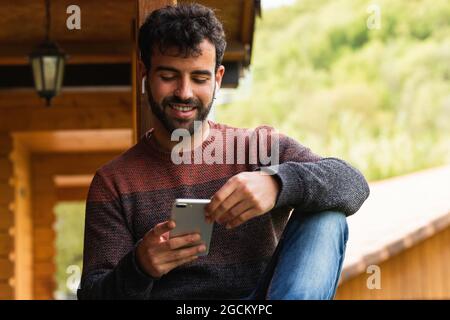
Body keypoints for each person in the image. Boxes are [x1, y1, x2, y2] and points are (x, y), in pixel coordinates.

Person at [77, 3, 370, 300]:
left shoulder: (260, 148)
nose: (184, 92)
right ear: (145, 73)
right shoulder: (113, 182)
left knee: (326, 216)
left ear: (218, 78)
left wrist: (277, 183)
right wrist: (139, 267)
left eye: (199, 79)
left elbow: (353, 184)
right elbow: (92, 295)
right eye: (169, 76)